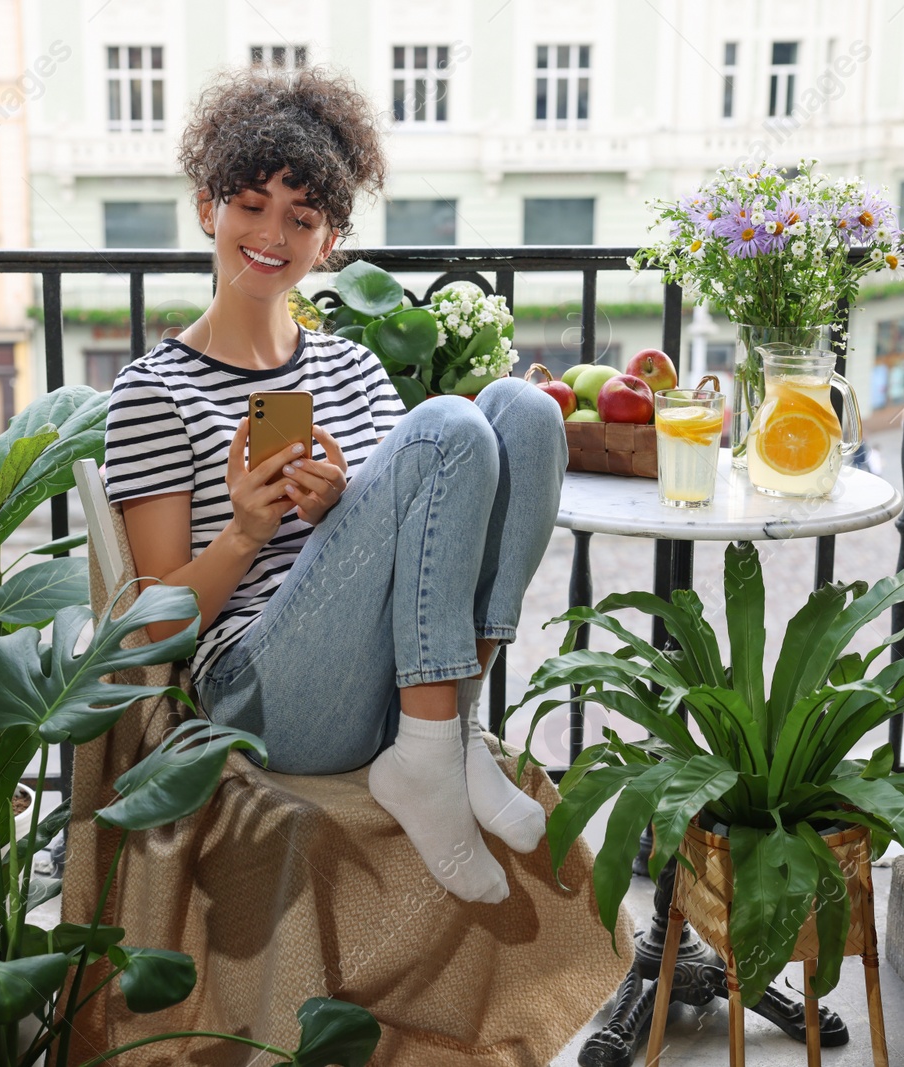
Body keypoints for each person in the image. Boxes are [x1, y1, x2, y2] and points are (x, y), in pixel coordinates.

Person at [102, 68, 566, 904]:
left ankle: (445, 735)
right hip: (264, 694)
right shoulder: (151, 391)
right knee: (452, 427)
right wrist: (245, 531)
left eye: (301, 216)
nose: (271, 233)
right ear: (208, 207)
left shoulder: (351, 368)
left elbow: (427, 550)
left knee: (524, 412)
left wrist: (343, 504)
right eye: (249, 204)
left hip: (389, 674)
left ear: (331, 240)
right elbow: (147, 636)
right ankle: (435, 755)